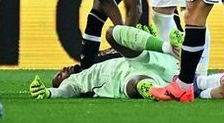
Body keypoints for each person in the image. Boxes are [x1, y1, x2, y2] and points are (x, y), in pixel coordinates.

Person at [29, 25, 182, 100]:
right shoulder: (76, 81)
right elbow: (65, 91)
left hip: (145, 62)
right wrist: (49, 93)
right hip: (132, 79)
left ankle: (168, 47)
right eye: (60, 76)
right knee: (135, 82)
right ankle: (156, 91)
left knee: (111, 33)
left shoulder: (93, 63)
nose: (63, 69)